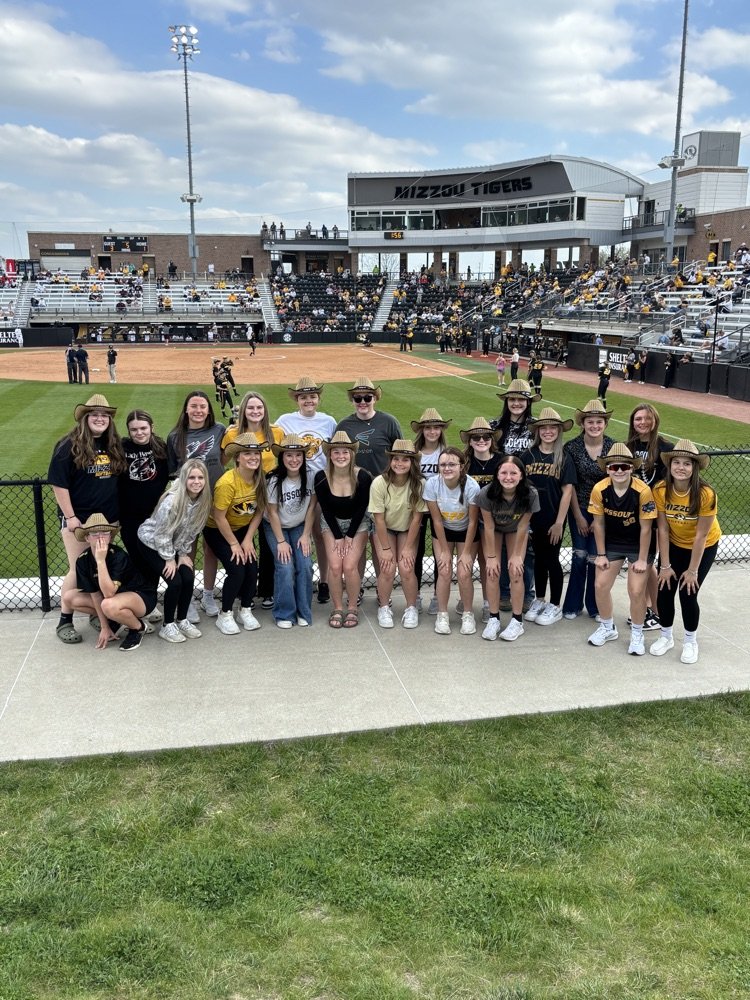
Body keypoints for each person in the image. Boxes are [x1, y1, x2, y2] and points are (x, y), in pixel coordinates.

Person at [48, 393, 126, 623]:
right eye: (95, 414)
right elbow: (58, 484)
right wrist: (70, 517)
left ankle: (96, 613)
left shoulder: (113, 444)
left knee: (99, 566)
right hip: (80, 521)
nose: (100, 418)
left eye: (105, 415)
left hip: (107, 519)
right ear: (85, 418)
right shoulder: (68, 445)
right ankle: (65, 619)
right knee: (77, 568)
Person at [650, 440, 721, 664]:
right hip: (674, 543)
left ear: (695, 468)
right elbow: (662, 528)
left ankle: (690, 641)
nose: (681, 467)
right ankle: (666, 636)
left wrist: (692, 571)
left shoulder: (706, 494)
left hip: (703, 545)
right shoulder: (661, 489)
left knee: (688, 593)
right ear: (669, 466)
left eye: (687, 464)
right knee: (664, 588)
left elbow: (701, 535)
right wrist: (665, 566)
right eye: (676, 463)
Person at [586, 444, 657, 655]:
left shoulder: (643, 491)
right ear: (607, 468)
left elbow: (647, 529)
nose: (619, 471)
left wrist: (643, 559)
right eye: (614, 467)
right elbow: (598, 524)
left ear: (631, 468)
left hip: (638, 545)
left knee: (636, 590)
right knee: (600, 585)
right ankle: (608, 628)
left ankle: (637, 633)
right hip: (612, 543)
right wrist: (600, 554)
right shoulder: (600, 489)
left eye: (624, 467)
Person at [55, 513, 156, 652]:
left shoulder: (118, 555)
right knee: (70, 597)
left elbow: (108, 593)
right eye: (95, 533)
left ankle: (138, 627)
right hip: (113, 601)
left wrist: (100, 560)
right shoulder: (83, 560)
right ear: (87, 537)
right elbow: (95, 595)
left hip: (140, 597)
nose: (101, 537)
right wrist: (105, 626)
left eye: (105, 532)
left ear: (110, 536)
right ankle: (115, 620)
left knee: (108, 604)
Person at [277, 376, 338, 604]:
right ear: (297, 400)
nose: (308, 400)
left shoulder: (328, 421)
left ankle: (322, 581)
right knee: (296, 534)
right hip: (295, 484)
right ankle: (296, 580)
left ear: (318, 398)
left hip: (321, 485)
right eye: (304, 397)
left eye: (312, 396)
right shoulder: (284, 421)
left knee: (320, 536)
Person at [137, 460, 212, 643]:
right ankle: (167, 625)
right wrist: (170, 559)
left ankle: (182, 619)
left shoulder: (203, 501)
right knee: (175, 581)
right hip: (151, 542)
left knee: (188, 576)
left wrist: (183, 554)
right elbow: (161, 534)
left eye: (201, 477)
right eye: (192, 477)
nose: (196, 482)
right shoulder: (171, 501)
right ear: (184, 479)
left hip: (174, 544)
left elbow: (191, 531)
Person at [167, 391, 227, 620]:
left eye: (203, 406)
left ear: (209, 410)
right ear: (186, 410)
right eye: (194, 406)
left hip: (214, 499)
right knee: (186, 549)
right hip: (188, 502)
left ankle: (208, 595)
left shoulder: (219, 430)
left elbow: (224, 457)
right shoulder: (175, 436)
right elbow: (173, 472)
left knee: (211, 549)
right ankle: (188, 598)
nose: (199, 410)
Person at [222, 390, 283, 610]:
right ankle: (243, 591)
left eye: (259, 407)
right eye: (251, 408)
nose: (255, 411)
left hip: (269, 494)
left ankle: (266, 591)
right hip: (244, 492)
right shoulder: (233, 434)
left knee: (268, 544)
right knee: (243, 541)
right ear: (244, 411)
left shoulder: (276, 431)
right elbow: (223, 459)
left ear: (264, 410)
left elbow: (284, 458)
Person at [203, 433, 266, 635]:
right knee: (237, 569)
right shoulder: (227, 483)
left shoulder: (259, 477)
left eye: (256, 453)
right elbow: (219, 517)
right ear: (237, 457)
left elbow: (259, 511)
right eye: (247, 453)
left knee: (251, 567)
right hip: (217, 530)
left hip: (242, 530)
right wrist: (233, 544)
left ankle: (245, 610)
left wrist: (247, 540)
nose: (253, 457)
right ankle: (226, 613)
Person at [520, 408, 575, 628]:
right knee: (538, 559)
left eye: (553, 427)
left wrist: (560, 522)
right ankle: (540, 599)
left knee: (552, 559)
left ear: (559, 431)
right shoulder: (528, 455)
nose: (548, 431)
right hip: (532, 519)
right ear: (538, 430)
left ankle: (555, 605)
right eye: (544, 427)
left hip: (553, 519)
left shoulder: (563, 456)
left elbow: (567, 491)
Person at [474, 455, 540, 642]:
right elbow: (488, 526)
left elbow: (523, 526)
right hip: (494, 529)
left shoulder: (531, 493)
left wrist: (518, 555)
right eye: (504, 472)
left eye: (513, 473)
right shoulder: (486, 493)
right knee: (492, 571)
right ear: (497, 474)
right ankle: (494, 618)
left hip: (515, 529)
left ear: (521, 475)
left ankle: (517, 621)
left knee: (516, 571)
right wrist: (492, 557)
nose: (508, 477)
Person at [562, 399, 616, 620]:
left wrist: (599, 518)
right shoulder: (571, 447)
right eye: (590, 421)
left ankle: (595, 606)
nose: (595, 425)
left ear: (604, 424)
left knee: (597, 557)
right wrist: (578, 516)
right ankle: (572, 605)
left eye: (599, 422)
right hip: (580, 508)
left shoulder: (613, 447)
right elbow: (570, 485)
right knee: (579, 556)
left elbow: (616, 483)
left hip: (603, 511)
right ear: (583, 423)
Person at [314, 431, 372, 629]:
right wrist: (338, 537)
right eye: (336, 452)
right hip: (332, 524)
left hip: (358, 524)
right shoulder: (321, 477)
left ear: (351, 454)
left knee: (349, 566)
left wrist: (349, 535)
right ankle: (338, 607)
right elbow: (326, 510)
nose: (340, 456)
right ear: (329, 455)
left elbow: (362, 508)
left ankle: (353, 606)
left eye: (345, 452)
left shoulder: (363, 476)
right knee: (335, 566)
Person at [368, 440, 427, 629]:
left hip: (407, 529)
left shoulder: (419, 483)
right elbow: (379, 520)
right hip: (384, 529)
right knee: (387, 567)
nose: (399, 463)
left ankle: (411, 608)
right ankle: (384, 607)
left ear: (413, 463)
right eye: (396, 459)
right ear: (390, 461)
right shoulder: (379, 482)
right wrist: (385, 549)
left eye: (405, 460)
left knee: (407, 567)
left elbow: (417, 519)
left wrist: (409, 547)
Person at [424, 447, 481, 636]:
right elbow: (437, 520)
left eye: (451, 464)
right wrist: (445, 551)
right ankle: (442, 614)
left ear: (461, 466)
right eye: (443, 465)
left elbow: (473, 521)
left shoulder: (472, 486)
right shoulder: (432, 484)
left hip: (466, 531)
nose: (447, 468)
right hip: (443, 531)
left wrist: (465, 553)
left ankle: (468, 613)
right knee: (444, 569)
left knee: (464, 571)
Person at [264, 434, 318, 629]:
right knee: (285, 565)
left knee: (304, 564)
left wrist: (306, 535)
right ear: (282, 457)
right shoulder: (274, 479)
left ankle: (304, 611)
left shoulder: (310, 475)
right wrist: (280, 541)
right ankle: (284, 613)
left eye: (298, 455)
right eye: (289, 455)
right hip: (275, 526)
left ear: (304, 457)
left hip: (299, 525)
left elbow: (312, 507)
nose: (294, 460)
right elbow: (272, 512)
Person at [118, 409, 170, 583]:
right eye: (134, 429)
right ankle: (141, 596)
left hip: (154, 515)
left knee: (153, 556)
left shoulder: (161, 448)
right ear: (128, 431)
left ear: (151, 427)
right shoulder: (121, 447)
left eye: (143, 428)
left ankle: (149, 597)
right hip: (129, 516)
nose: (139, 432)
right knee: (137, 556)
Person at [411, 407, 450, 614]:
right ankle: (415, 595)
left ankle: (437, 595)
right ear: (422, 430)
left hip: (440, 508)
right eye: (428, 428)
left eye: (436, 428)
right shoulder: (415, 453)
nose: (432, 432)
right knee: (416, 553)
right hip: (418, 507)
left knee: (440, 554)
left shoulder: (446, 453)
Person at [335, 377, 402, 477]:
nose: (362, 402)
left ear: (374, 399)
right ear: (353, 401)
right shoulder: (343, 425)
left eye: (367, 398)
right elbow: (335, 455)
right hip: (354, 484)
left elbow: (400, 454)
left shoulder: (389, 422)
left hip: (383, 483)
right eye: (358, 398)